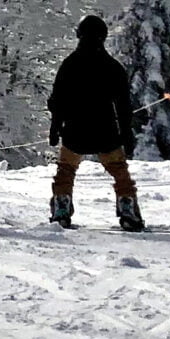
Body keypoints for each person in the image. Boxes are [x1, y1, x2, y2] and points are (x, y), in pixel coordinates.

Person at [48, 14, 145, 230]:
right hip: (106, 131)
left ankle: (62, 206)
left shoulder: (69, 65)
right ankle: (127, 206)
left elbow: (58, 100)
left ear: (79, 35)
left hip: (75, 131)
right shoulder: (112, 67)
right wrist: (126, 133)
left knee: (65, 170)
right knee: (119, 171)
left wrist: (55, 128)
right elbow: (123, 105)